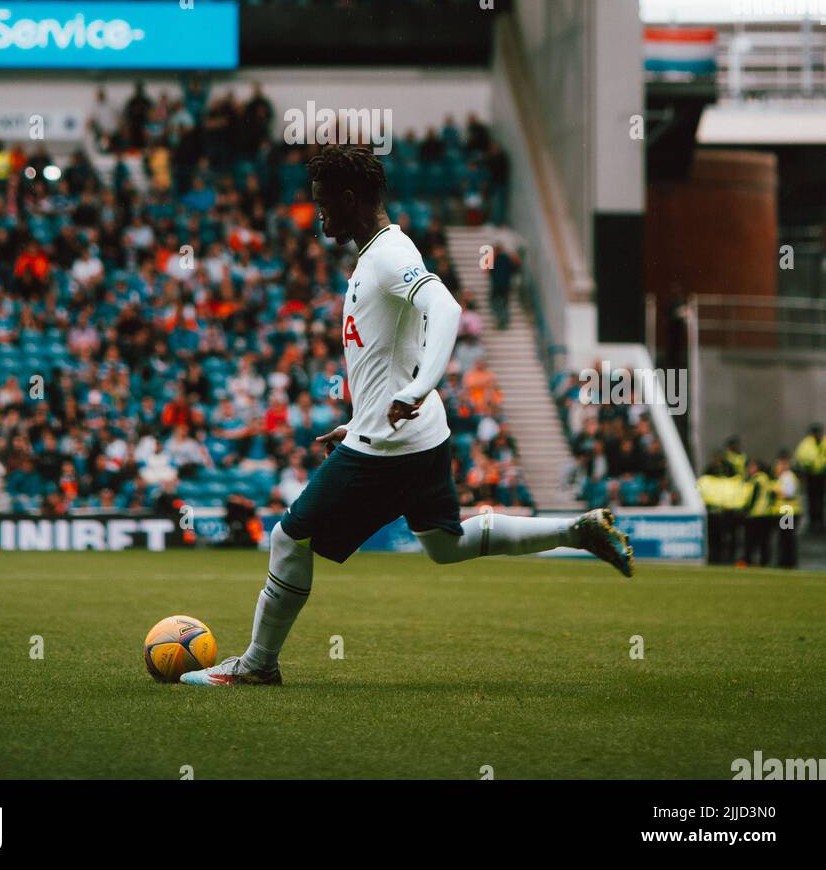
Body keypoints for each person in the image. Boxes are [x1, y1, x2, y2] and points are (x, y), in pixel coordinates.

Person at [181, 145, 633, 688]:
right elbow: (389, 356)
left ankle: (257, 665)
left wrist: (418, 388)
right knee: (446, 544)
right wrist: (367, 413)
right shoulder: (378, 255)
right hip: (419, 434)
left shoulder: (390, 255)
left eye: (325, 204)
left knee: (287, 537)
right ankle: (577, 530)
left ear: (350, 199)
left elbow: (445, 308)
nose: (320, 216)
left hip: (392, 441)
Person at [793, 423, 826, 534]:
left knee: (820, 499)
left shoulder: (823, 442)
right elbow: (803, 457)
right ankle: (814, 522)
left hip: (822, 474)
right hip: (811, 474)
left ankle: (819, 521)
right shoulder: (807, 444)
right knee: (813, 498)